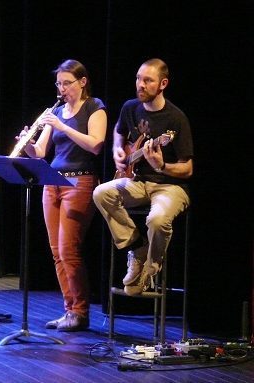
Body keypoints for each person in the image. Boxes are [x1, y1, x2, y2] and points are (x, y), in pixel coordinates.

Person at [18, 59, 107, 331]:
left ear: (82, 82)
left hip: (79, 183)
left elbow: (95, 145)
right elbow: (41, 152)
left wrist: (63, 126)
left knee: (70, 250)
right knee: (57, 252)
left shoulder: (95, 108)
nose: (62, 88)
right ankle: (69, 310)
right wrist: (29, 144)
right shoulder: (54, 111)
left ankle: (80, 311)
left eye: (67, 83)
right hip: (51, 183)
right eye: (59, 83)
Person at [92, 58, 193, 297]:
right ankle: (136, 247)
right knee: (101, 192)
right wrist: (118, 150)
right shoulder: (130, 107)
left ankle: (150, 267)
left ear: (163, 84)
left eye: (148, 80)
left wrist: (162, 165)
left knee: (157, 219)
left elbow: (187, 168)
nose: (141, 85)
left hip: (170, 186)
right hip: (138, 181)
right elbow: (119, 132)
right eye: (139, 78)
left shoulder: (176, 119)